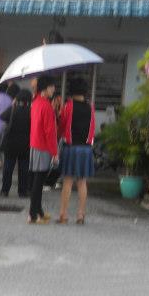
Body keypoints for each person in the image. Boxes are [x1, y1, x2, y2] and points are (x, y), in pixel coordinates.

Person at [58, 77, 96, 225]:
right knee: (82, 182)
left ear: (71, 90)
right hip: (86, 149)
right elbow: (92, 126)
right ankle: (81, 214)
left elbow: (61, 126)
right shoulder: (90, 107)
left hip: (71, 147)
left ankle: (63, 214)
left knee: (67, 181)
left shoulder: (68, 106)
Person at [28, 76, 59, 224]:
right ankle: (33, 215)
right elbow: (50, 132)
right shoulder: (46, 106)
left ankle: (38, 211)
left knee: (37, 180)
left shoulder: (36, 102)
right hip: (43, 147)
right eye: (51, 86)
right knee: (38, 182)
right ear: (45, 88)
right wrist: (55, 153)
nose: (54, 89)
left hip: (35, 145)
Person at [0, 87, 32, 198]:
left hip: (11, 143)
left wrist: (13, 105)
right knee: (24, 169)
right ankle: (22, 191)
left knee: (8, 168)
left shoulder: (13, 109)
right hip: (26, 144)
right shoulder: (31, 111)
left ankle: (5, 190)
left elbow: (2, 116)